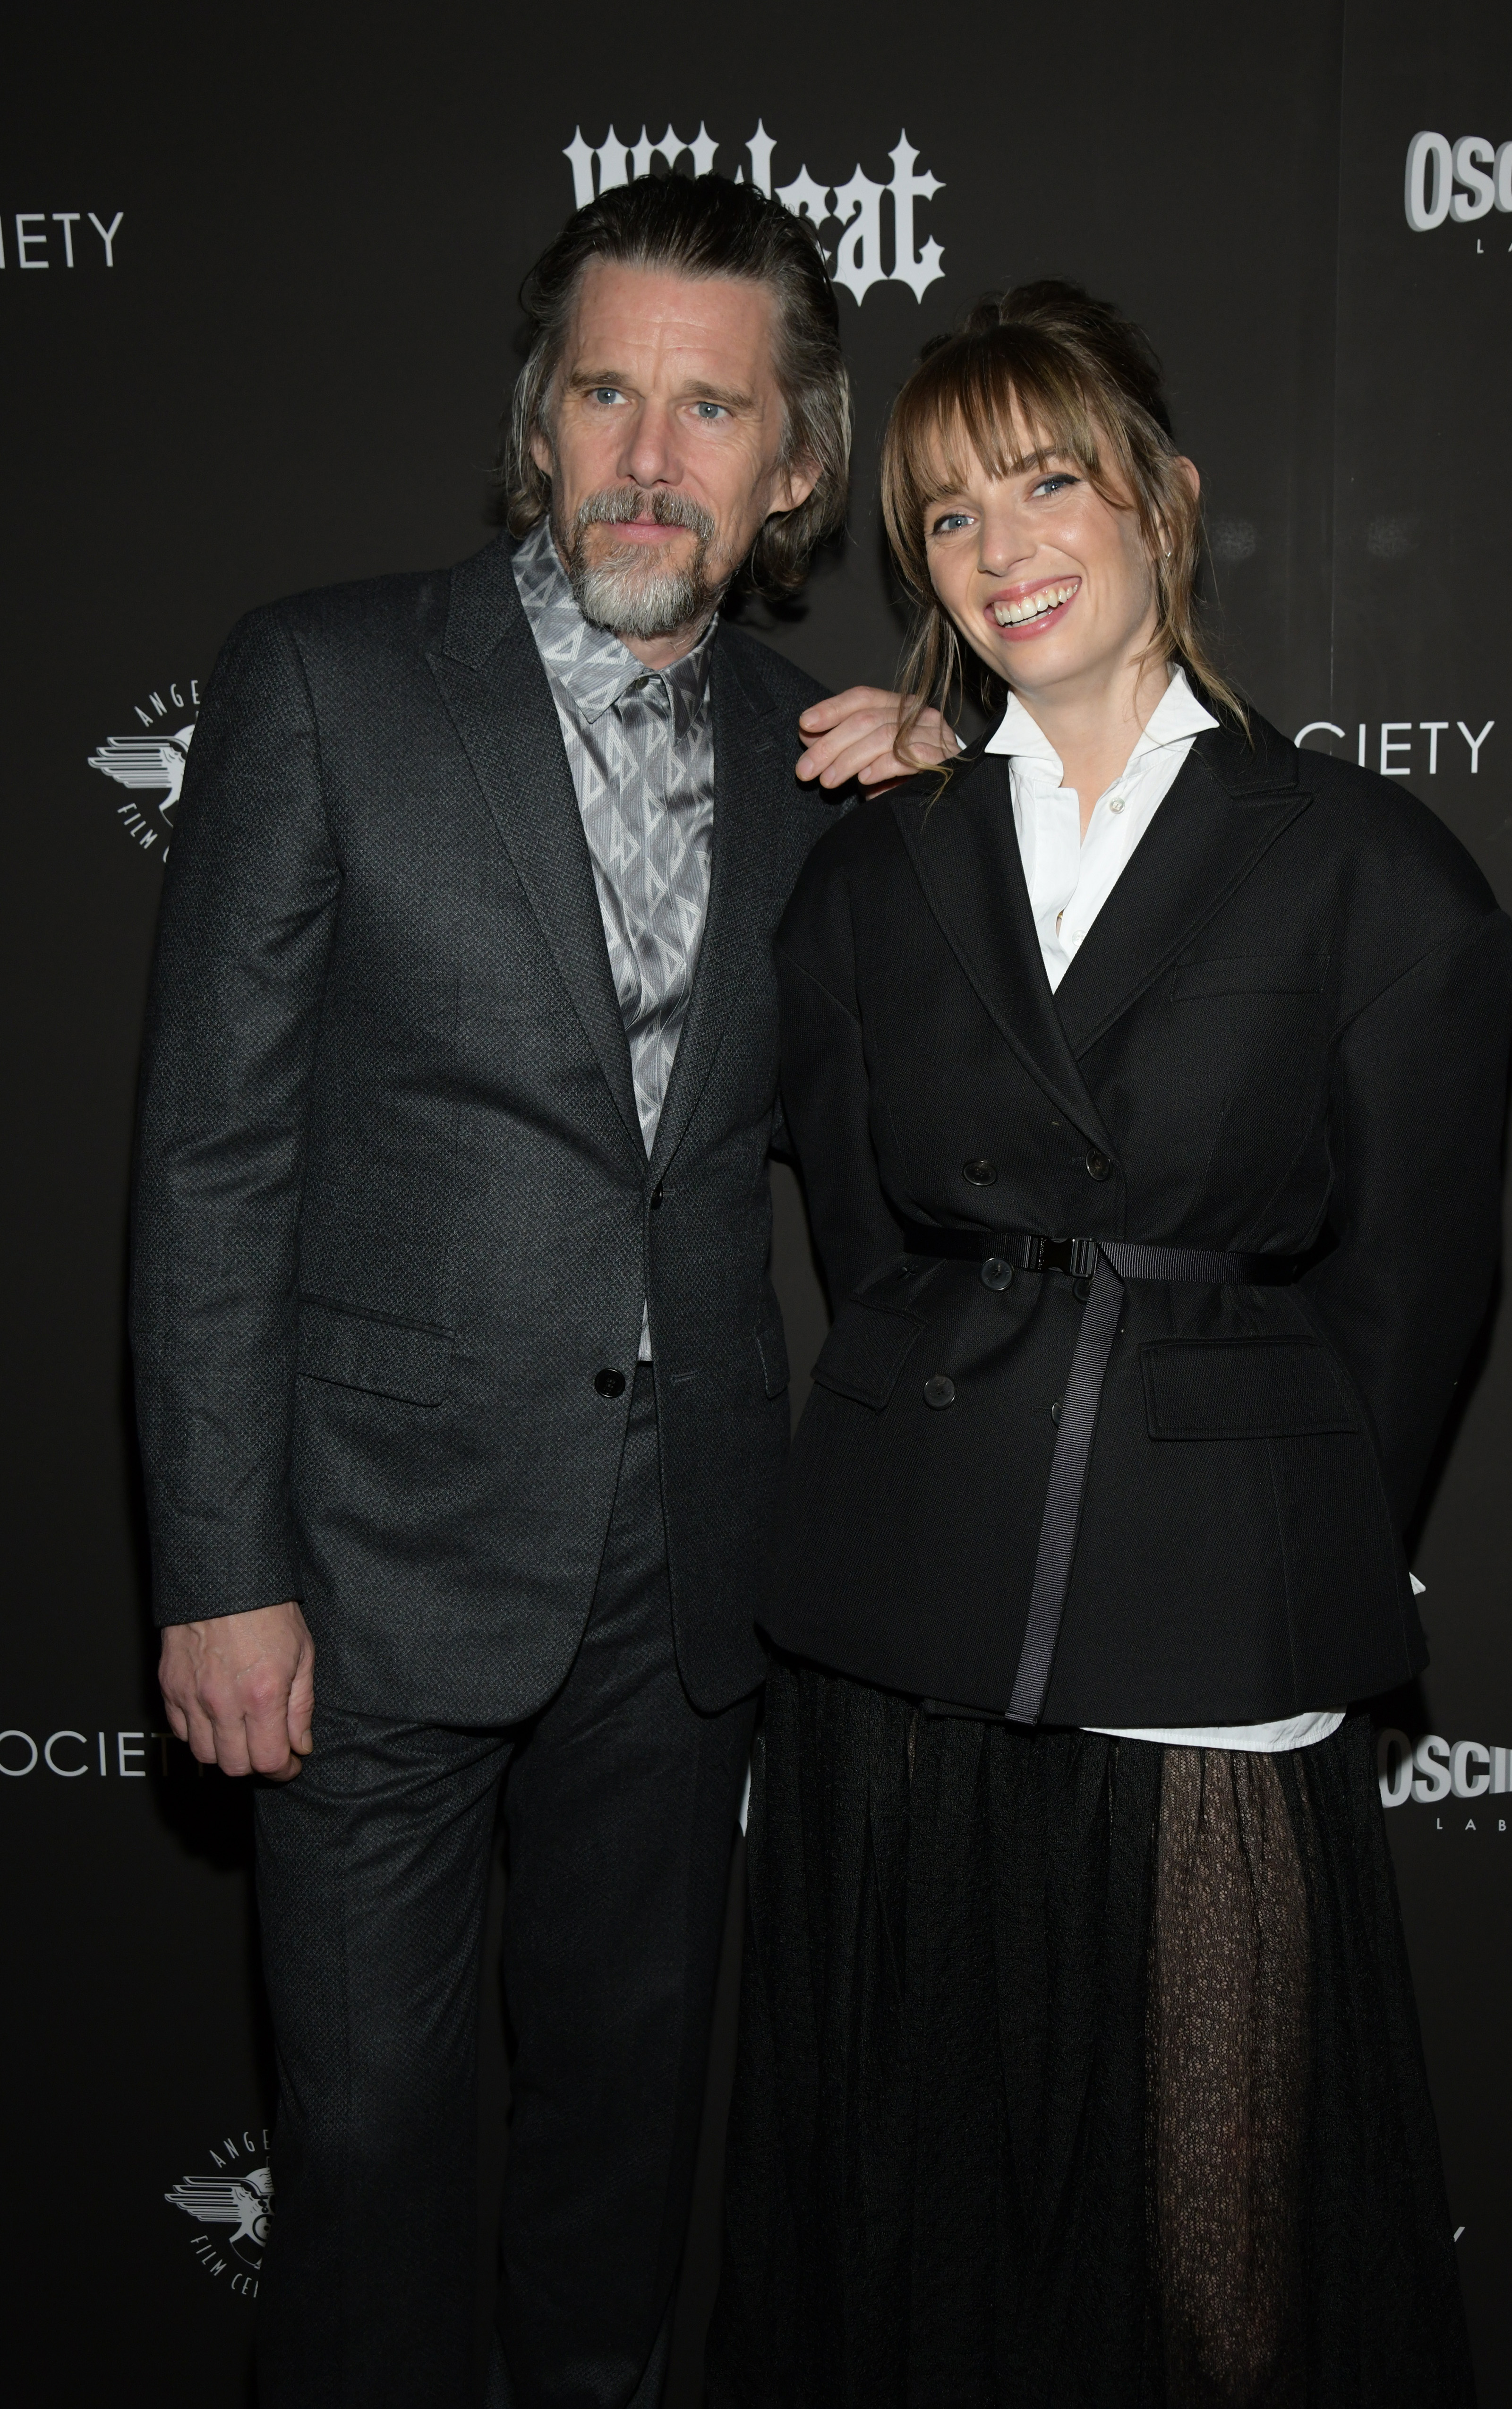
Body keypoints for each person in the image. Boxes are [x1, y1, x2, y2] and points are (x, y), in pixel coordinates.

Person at [129, 172, 950, 2409]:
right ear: (539, 417)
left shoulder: (829, 779)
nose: (647, 457)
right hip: (364, 1569)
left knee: (617, 2150)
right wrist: (219, 1570)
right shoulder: (322, 681)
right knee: (373, 2153)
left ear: (792, 465)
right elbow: (213, 1155)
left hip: (685, 1585)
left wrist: (959, 825)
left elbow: (919, 1166)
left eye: (710, 408)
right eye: (606, 391)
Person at [708, 283, 1512, 2405]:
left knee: (1219, 2244)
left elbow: (1407, 1297)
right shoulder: (879, 869)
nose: (1004, 547)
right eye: (950, 515)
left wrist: (1282, 1522)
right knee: (916, 2202)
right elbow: (866, 1242)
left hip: (1207, 1611)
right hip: (902, 1609)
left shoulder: (1366, 869)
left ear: (1162, 498)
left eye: (1047, 480)